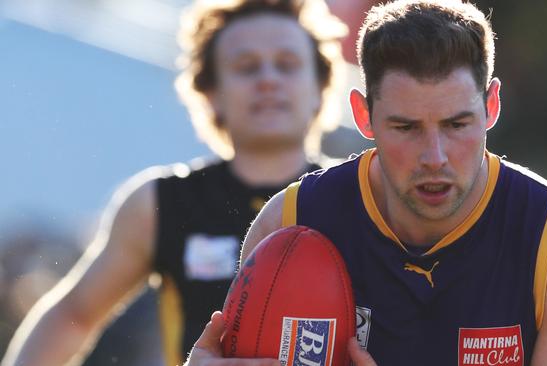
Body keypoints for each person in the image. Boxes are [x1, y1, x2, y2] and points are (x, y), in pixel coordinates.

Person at [184, 0, 547, 365]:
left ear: (491, 106)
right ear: (363, 116)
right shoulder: (288, 226)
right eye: (406, 127)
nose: (434, 157)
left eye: (456, 123)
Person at [1, 1, 347, 365]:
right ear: (211, 94)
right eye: (246, 67)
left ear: (322, 87)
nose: (268, 79)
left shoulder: (362, 194)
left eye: (287, 65)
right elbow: (73, 316)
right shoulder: (161, 201)